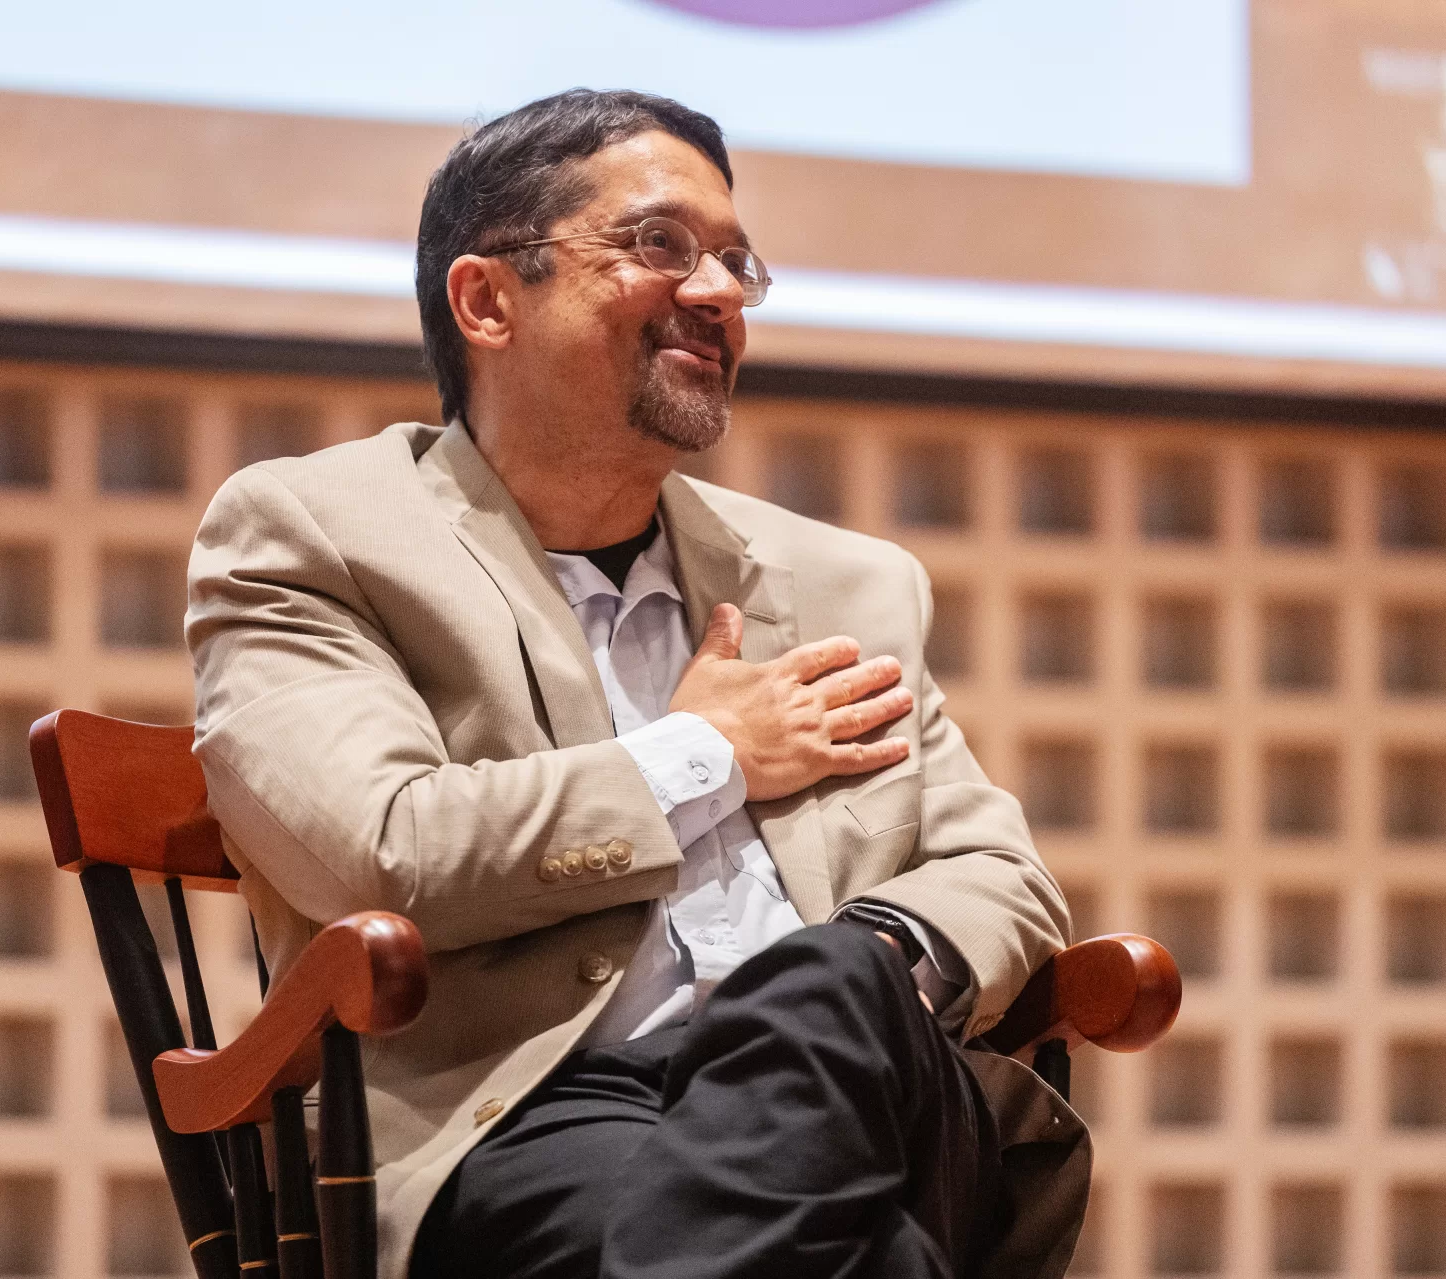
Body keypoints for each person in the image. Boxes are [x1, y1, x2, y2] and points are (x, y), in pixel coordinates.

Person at [187, 88, 1085, 1279]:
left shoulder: (837, 583)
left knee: (823, 995)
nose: (715, 294)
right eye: (659, 246)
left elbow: (998, 876)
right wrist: (703, 756)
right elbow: (382, 850)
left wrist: (856, 977)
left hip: (887, 1090)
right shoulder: (314, 536)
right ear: (486, 300)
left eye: (732, 260)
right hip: (537, 1112)